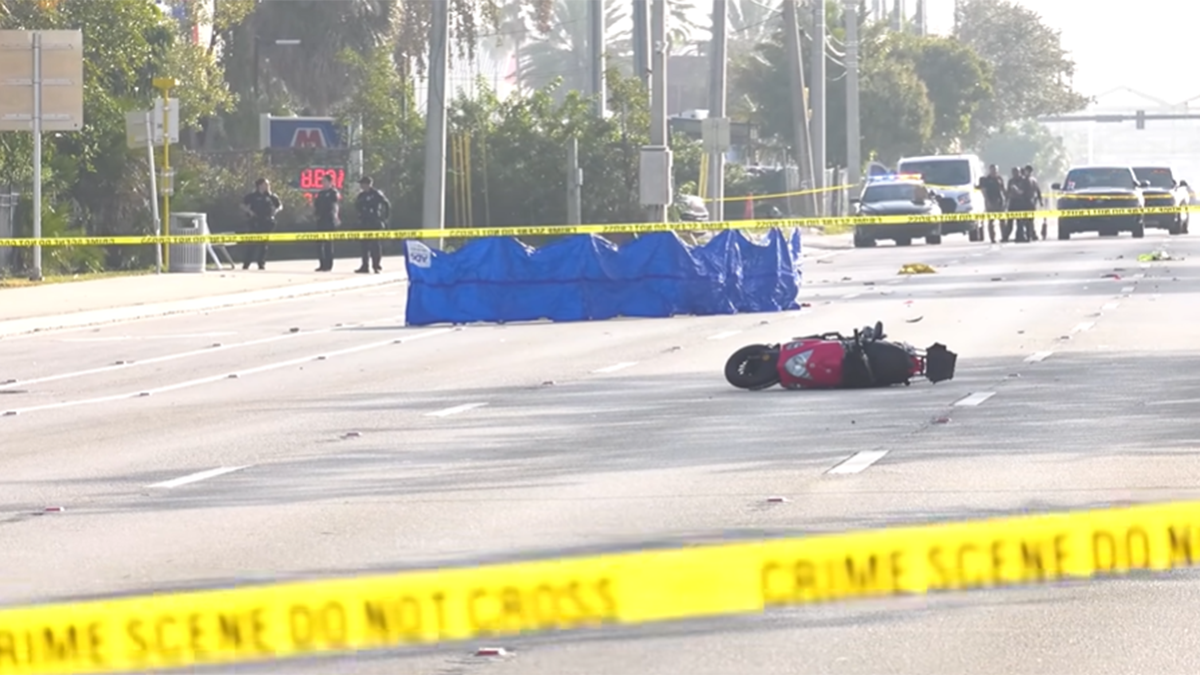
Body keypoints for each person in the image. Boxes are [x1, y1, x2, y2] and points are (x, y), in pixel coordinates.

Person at [239, 178, 282, 270]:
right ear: (259, 185)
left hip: (267, 222)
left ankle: (261, 263)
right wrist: (249, 211)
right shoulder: (252, 196)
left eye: (268, 185)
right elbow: (242, 205)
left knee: (264, 244)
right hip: (255, 221)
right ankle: (247, 263)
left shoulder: (272, 196)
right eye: (265, 184)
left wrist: (275, 211)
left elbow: (279, 206)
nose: (267, 186)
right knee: (252, 243)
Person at [353, 176, 391, 274]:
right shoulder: (361, 196)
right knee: (364, 246)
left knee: (375, 245)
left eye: (363, 184)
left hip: (374, 222)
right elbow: (357, 206)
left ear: (368, 184)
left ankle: (376, 265)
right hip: (364, 222)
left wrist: (384, 218)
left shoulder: (376, 194)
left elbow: (386, 204)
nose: (361, 186)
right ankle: (364, 266)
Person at [312, 175, 341, 272]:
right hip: (321, 220)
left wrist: (335, 217)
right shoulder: (320, 194)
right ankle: (322, 264)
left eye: (324, 181)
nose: (323, 183)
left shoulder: (334, 193)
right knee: (319, 244)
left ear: (330, 182)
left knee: (328, 244)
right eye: (322, 181)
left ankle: (328, 265)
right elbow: (316, 205)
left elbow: (334, 205)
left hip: (329, 220)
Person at [977, 164, 1007, 244]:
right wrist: (988, 201)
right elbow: (984, 191)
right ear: (990, 170)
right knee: (991, 221)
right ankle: (992, 238)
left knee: (1002, 221)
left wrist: (1005, 200)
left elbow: (1003, 190)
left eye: (996, 170)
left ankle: (1004, 236)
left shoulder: (1000, 179)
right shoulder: (986, 180)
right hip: (991, 201)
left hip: (1000, 202)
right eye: (993, 170)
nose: (994, 171)